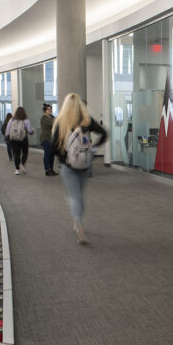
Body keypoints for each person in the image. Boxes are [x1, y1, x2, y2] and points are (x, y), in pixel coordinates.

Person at [52, 93, 107, 244]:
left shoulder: (61, 122)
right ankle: (78, 221)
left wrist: (64, 156)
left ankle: (78, 222)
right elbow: (103, 133)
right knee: (79, 195)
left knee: (74, 195)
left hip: (68, 165)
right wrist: (93, 150)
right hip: (84, 164)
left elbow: (54, 146)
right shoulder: (86, 120)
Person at [6, 107, 35, 175]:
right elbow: (30, 131)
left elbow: (7, 131)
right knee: (25, 152)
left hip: (13, 139)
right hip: (23, 139)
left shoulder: (11, 120)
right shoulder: (26, 120)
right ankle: (22, 163)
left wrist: (8, 137)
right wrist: (32, 131)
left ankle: (17, 169)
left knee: (16, 154)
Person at [40, 103, 58, 176]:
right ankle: (47, 170)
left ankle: (51, 169)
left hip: (52, 139)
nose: (50, 110)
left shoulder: (52, 116)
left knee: (52, 155)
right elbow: (53, 123)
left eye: (51, 109)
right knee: (47, 155)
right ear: (45, 111)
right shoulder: (44, 118)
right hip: (46, 139)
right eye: (49, 109)